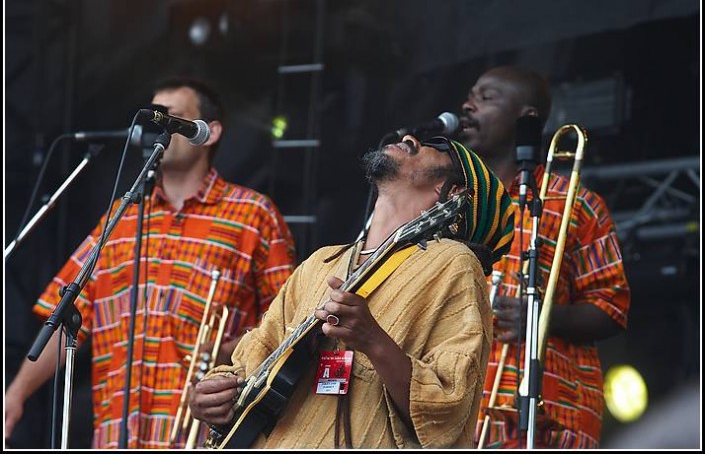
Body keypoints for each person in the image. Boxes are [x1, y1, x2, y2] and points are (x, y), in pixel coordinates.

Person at [4, 77, 297, 449]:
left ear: (207, 133)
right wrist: (15, 394)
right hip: (116, 435)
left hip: (204, 437)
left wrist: (234, 349)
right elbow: (67, 320)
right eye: (153, 116)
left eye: (170, 117)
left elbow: (289, 323)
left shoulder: (253, 214)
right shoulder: (120, 217)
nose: (155, 126)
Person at [188, 135, 516, 449]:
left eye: (437, 146)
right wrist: (216, 395)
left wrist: (372, 339)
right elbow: (258, 354)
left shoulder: (453, 264)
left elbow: (449, 409)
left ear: (452, 191)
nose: (411, 139)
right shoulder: (322, 261)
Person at [457, 65, 631, 448]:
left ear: (526, 117)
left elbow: (611, 308)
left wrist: (542, 316)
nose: (468, 106)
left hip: (550, 414)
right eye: (470, 96)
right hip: (457, 412)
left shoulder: (576, 203)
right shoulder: (451, 204)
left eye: (486, 98)